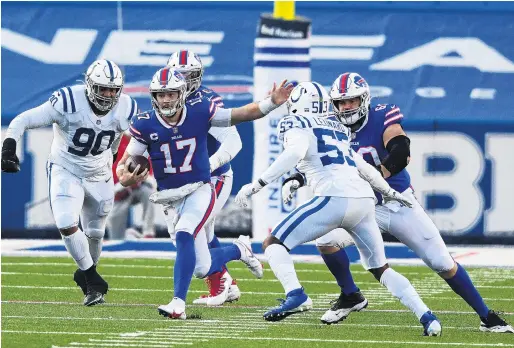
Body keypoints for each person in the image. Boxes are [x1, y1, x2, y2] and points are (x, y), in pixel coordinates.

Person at [283, 72, 514, 334]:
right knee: (326, 241)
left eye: (352, 101)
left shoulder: (382, 115)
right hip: (362, 207)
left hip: (398, 202)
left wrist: (375, 175)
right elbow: (320, 163)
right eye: (341, 102)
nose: (346, 107)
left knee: (442, 263)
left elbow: (401, 150)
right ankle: (351, 295)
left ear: (365, 99)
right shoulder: (329, 126)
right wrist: (297, 178)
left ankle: (487, 316)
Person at [235, 81, 442, 336]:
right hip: (366, 200)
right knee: (381, 268)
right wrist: (390, 192)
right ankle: (427, 316)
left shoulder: (294, 123)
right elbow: (363, 168)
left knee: (273, 243)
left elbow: (293, 153)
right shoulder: (338, 128)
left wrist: (256, 185)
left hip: (334, 198)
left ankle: (296, 294)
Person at [116, 67, 293, 319]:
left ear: (182, 93)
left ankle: (178, 302)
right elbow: (126, 164)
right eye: (161, 94)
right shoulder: (145, 123)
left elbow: (240, 114)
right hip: (170, 197)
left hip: (200, 188)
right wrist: (125, 177)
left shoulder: (199, 111)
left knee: (186, 233)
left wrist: (271, 103)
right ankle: (239, 249)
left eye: (171, 94)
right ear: (153, 96)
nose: (166, 99)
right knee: (201, 267)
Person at [1, 59, 140, 306]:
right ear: (89, 85)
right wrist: (9, 147)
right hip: (66, 168)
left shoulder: (127, 107)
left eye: (112, 90)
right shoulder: (67, 101)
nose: (108, 95)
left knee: (96, 232)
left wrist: (129, 163)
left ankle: (89, 280)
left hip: (100, 171)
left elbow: (135, 141)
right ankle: (91, 276)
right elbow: (23, 119)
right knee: (66, 222)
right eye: (102, 89)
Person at [168, 50, 242, 305]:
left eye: (190, 76)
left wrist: (210, 164)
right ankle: (226, 282)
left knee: (192, 231)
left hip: (214, 178)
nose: (186, 82)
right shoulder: (166, 99)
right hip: (186, 182)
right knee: (202, 232)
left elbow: (234, 141)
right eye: (180, 76)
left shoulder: (206, 103)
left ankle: (233, 258)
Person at [107, 132, 157, 240]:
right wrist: (122, 185)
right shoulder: (112, 143)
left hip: (138, 187)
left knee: (149, 192)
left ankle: (148, 232)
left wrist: (138, 180)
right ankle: (130, 235)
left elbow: (150, 172)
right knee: (115, 238)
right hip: (119, 192)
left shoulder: (142, 142)